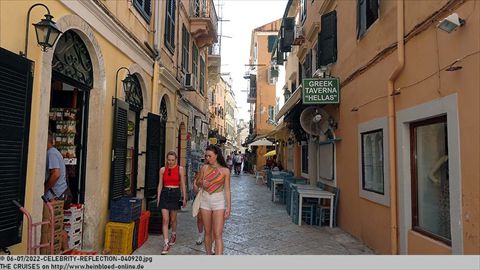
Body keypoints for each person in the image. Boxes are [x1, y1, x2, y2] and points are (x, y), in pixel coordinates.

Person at [196, 145, 231, 255]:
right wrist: (202, 183)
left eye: (210, 156)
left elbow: (227, 190)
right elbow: (197, 182)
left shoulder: (225, 171)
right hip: (205, 200)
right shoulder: (204, 168)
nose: (207, 158)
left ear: (216, 156)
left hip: (219, 201)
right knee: (207, 232)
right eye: (206, 156)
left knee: (217, 234)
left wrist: (228, 207)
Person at [43, 131, 69, 253]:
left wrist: (45, 188)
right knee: (58, 226)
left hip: (55, 196)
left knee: (53, 227)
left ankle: (64, 252)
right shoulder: (55, 153)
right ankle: (67, 252)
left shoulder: (51, 153)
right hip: (58, 194)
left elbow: (56, 174)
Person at [156, 151, 187, 255]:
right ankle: (166, 243)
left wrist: (184, 197)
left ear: (176, 160)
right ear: (166, 159)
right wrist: (158, 197)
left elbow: (182, 183)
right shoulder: (162, 169)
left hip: (175, 194)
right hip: (165, 193)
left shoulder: (180, 169)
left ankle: (173, 234)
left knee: (173, 219)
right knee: (165, 219)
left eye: (172, 160)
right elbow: (160, 184)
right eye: (169, 160)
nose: (170, 162)